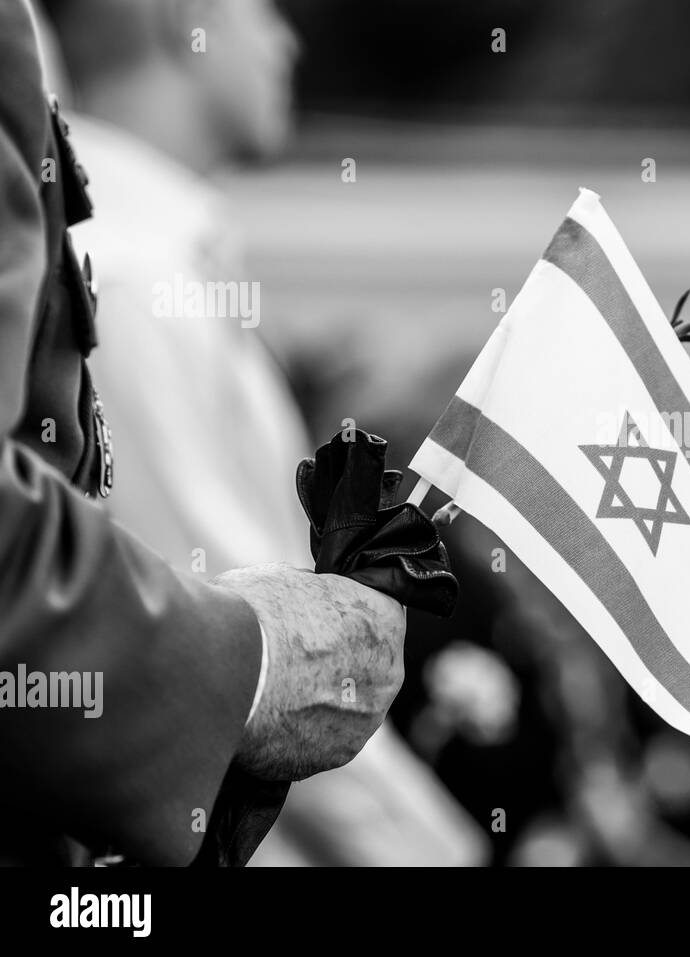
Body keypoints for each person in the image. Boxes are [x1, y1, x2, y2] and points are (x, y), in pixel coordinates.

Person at [37, 0, 485, 866]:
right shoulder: (128, 292)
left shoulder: (156, 271)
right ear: (182, 18)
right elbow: (261, 660)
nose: (290, 37)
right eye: (263, 8)